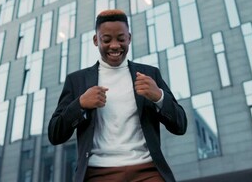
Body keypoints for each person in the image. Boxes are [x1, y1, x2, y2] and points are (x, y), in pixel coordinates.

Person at [48, 9, 187, 182]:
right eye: (106, 40)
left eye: (121, 39)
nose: (115, 45)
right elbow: (55, 134)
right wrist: (80, 104)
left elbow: (180, 125)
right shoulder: (77, 81)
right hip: (98, 172)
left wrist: (158, 96)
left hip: (147, 170)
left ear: (129, 38)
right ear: (95, 40)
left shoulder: (149, 74)